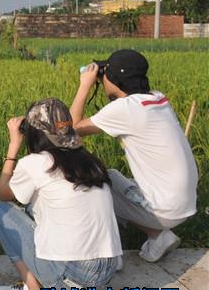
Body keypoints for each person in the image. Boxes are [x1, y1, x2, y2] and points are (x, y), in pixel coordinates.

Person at [0, 98, 121, 290]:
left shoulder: (36, 162)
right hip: (106, 275)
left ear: (35, 133)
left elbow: (3, 194)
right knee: (35, 205)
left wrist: (14, 145)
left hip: (72, 280)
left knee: (2, 212)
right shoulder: (90, 162)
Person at [70, 49, 198, 262]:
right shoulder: (158, 99)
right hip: (183, 204)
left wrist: (84, 85)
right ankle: (157, 236)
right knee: (110, 176)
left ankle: (110, 254)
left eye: (105, 76)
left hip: (165, 210)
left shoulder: (126, 108)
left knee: (91, 187)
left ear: (115, 79)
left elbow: (72, 127)